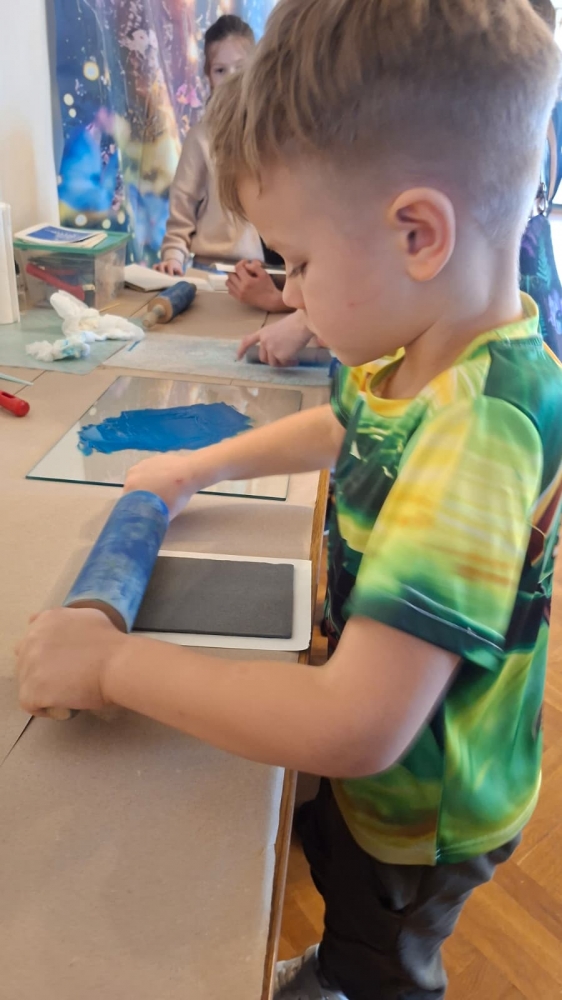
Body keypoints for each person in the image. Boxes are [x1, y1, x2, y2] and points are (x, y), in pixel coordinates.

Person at [17, 2, 562, 999]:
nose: (294, 293)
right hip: (383, 766)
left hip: (424, 811)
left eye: (301, 263)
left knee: (380, 947)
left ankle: (354, 974)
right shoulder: (422, 346)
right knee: (328, 858)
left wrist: (113, 663)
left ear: (417, 233)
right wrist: (194, 468)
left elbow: (354, 724)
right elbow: (340, 427)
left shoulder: (479, 431)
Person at [154, 15, 261, 276]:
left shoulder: (273, 136)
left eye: (240, 68)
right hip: (209, 271)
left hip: (262, 274)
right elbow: (182, 208)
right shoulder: (201, 138)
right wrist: (173, 257)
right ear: (208, 76)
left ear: (257, 69)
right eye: (220, 70)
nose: (231, 79)